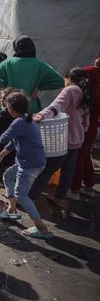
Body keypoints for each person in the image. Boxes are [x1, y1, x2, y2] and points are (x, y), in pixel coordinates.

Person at [0, 91, 52, 239]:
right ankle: (12, 210)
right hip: (33, 161)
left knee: (22, 195)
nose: (6, 110)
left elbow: (3, 139)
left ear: (11, 108)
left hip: (30, 165)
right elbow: (13, 142)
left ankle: (42, 229)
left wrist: (2, 118)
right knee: (7, 176)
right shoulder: (27, 119)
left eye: (7, 107)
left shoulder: (19, 122)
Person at [31, 68, 90, 205]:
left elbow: (56, 106)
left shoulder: (69, 91)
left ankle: (31, 198)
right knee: (68, 170)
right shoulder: (85, 92)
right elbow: (86, 119)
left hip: (65, 138)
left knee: (48, 168)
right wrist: (83, 130)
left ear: (69, 78)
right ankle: (59, 198)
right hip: (78, 138)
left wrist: (41, 115)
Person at [0, 35, 64, 113]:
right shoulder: (40, 65)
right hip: (30, 107)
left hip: (10, 108)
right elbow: (61, 81)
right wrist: (39, 88)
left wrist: (6, 86)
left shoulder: (8, 63)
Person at [72, 58, 100, 198]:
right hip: (92, 129)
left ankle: (75, 190)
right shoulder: (95, 91)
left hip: (85, 130)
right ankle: (88, 185)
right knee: (86, 156)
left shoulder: (90, 94)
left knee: (79, 157)